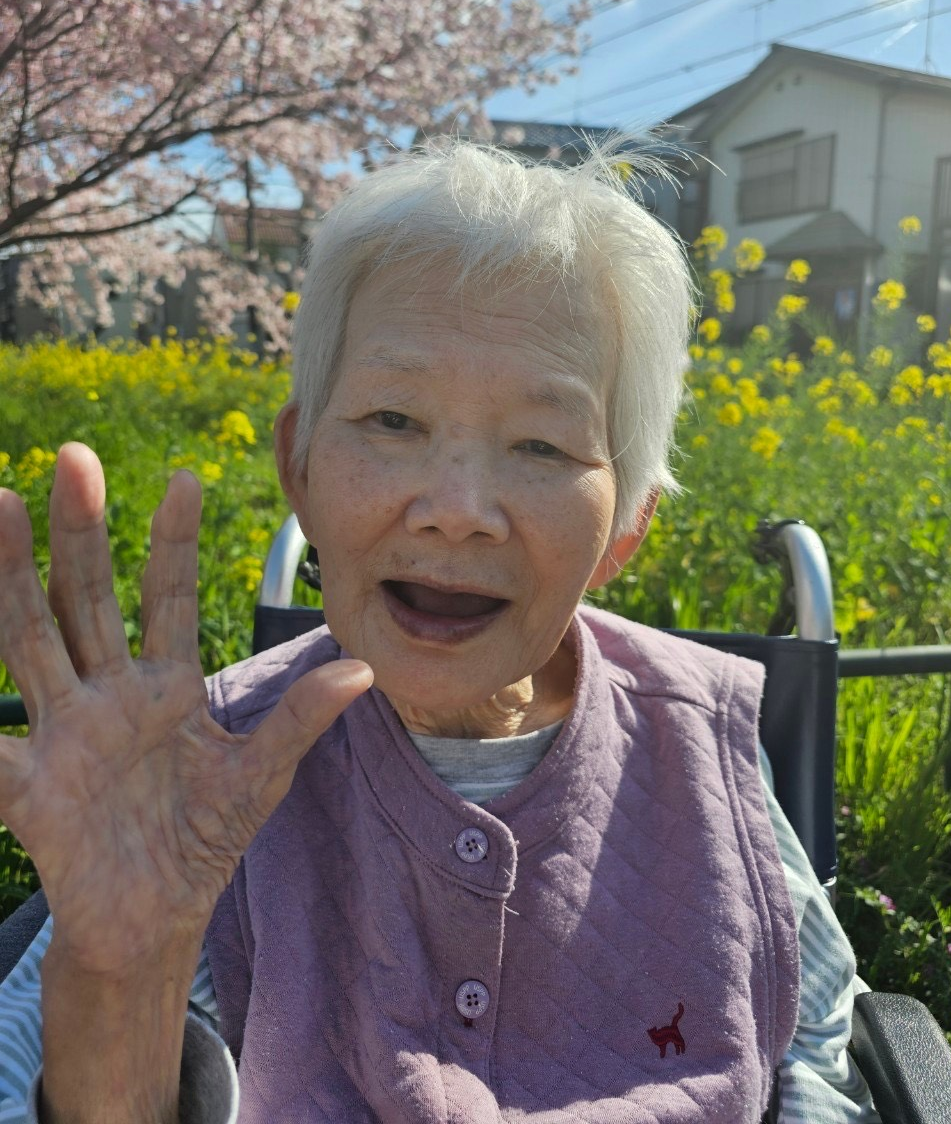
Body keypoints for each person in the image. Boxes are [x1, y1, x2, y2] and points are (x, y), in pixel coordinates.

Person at [0, 139, 879, 1123]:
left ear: (625, 527)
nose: (458, 508)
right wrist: (126, 981)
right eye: (391, 418)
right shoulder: (205, 772)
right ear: (300, 467)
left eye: (542, 442)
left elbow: (812, 1049)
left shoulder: (705, 738)